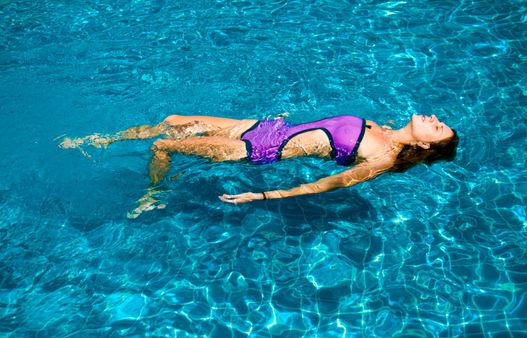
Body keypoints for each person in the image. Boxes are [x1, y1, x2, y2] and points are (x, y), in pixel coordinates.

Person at [60, 113, 459, 218]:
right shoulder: (384, 129)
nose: (434, 118)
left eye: (438, 128)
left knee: (165, 145)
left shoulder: (382, 157)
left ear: (425, 143)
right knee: (173, 120)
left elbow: (329, 185)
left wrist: (265, 194)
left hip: (259, 151)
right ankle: (101, 140)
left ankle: (155, 191)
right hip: (265, 127)